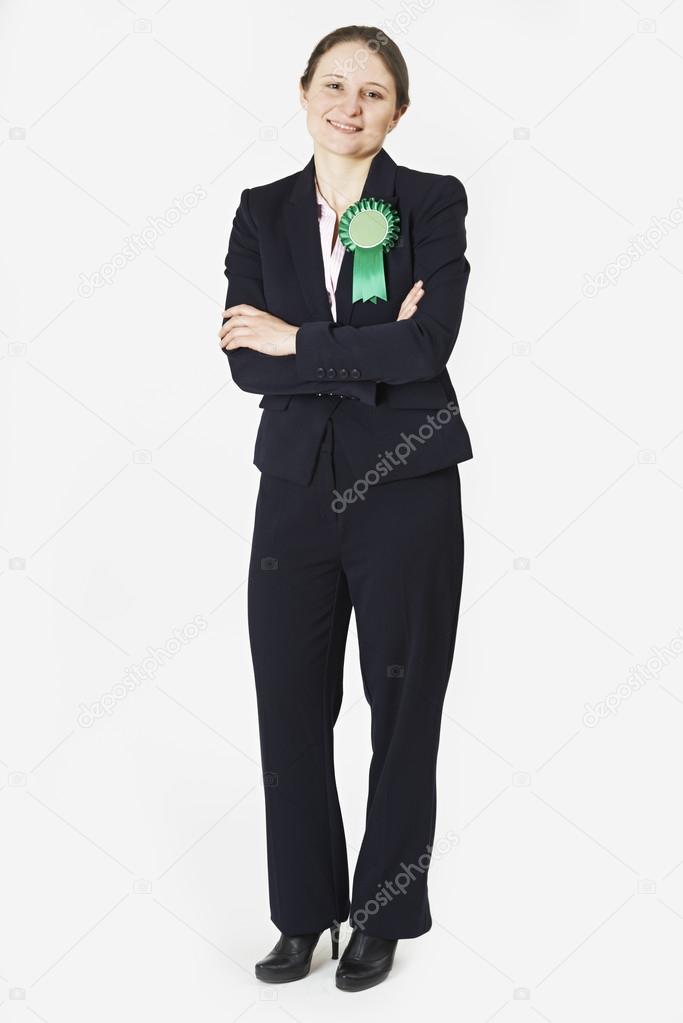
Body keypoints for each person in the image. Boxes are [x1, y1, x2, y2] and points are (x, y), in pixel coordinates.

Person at [218, 24, 472, 992]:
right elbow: (245, 359)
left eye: (372, 92)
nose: (349, 104)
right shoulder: (259, 212)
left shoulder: (430, 205)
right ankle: (302, 913)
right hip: (292, 496)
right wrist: (320, 345)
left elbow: (425, 350)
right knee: (288, 705)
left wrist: (298, 341)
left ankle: (382, 916)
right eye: (334, 85)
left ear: (395, 111)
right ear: (304, 93)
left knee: (402, 711)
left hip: (407, 488)